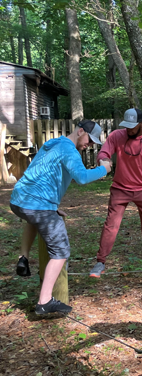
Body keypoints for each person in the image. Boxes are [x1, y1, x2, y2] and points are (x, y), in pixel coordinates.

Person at [11, 120, 111, 314]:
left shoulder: (54, 144)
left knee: (34, 220)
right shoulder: (69, 151)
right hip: (38, 205)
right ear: (80, 130)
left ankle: (23, 257)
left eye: (92, 144)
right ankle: (44, 301)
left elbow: (42, 174)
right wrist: (104, 170)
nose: (89, 145)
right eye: (89, 140)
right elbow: (81, 178)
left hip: (19, 200)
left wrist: (51, 206)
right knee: (61, 251)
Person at [90, 108, 142, 278]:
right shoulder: (116, 136)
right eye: (127, 126)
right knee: (111, 225)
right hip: (120, 188)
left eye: (132, 126)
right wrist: (103, 160)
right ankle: (100, 262)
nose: (129, 130)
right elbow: (104, 151)